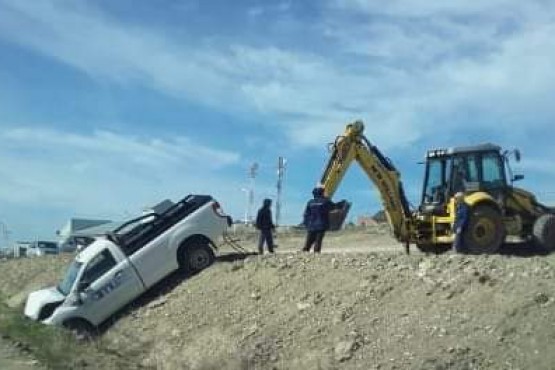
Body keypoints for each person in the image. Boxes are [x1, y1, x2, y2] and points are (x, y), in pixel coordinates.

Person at [302, 185, 333, 253]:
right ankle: (316, 255)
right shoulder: (325, 201)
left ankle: (304, 254)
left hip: (311, 225)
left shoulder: (310, 202)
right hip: (321, 225)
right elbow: (333, 207)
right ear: (322, 192)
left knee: (308, 242)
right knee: (318, 242)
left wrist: (306, 223)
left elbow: (306, 214)